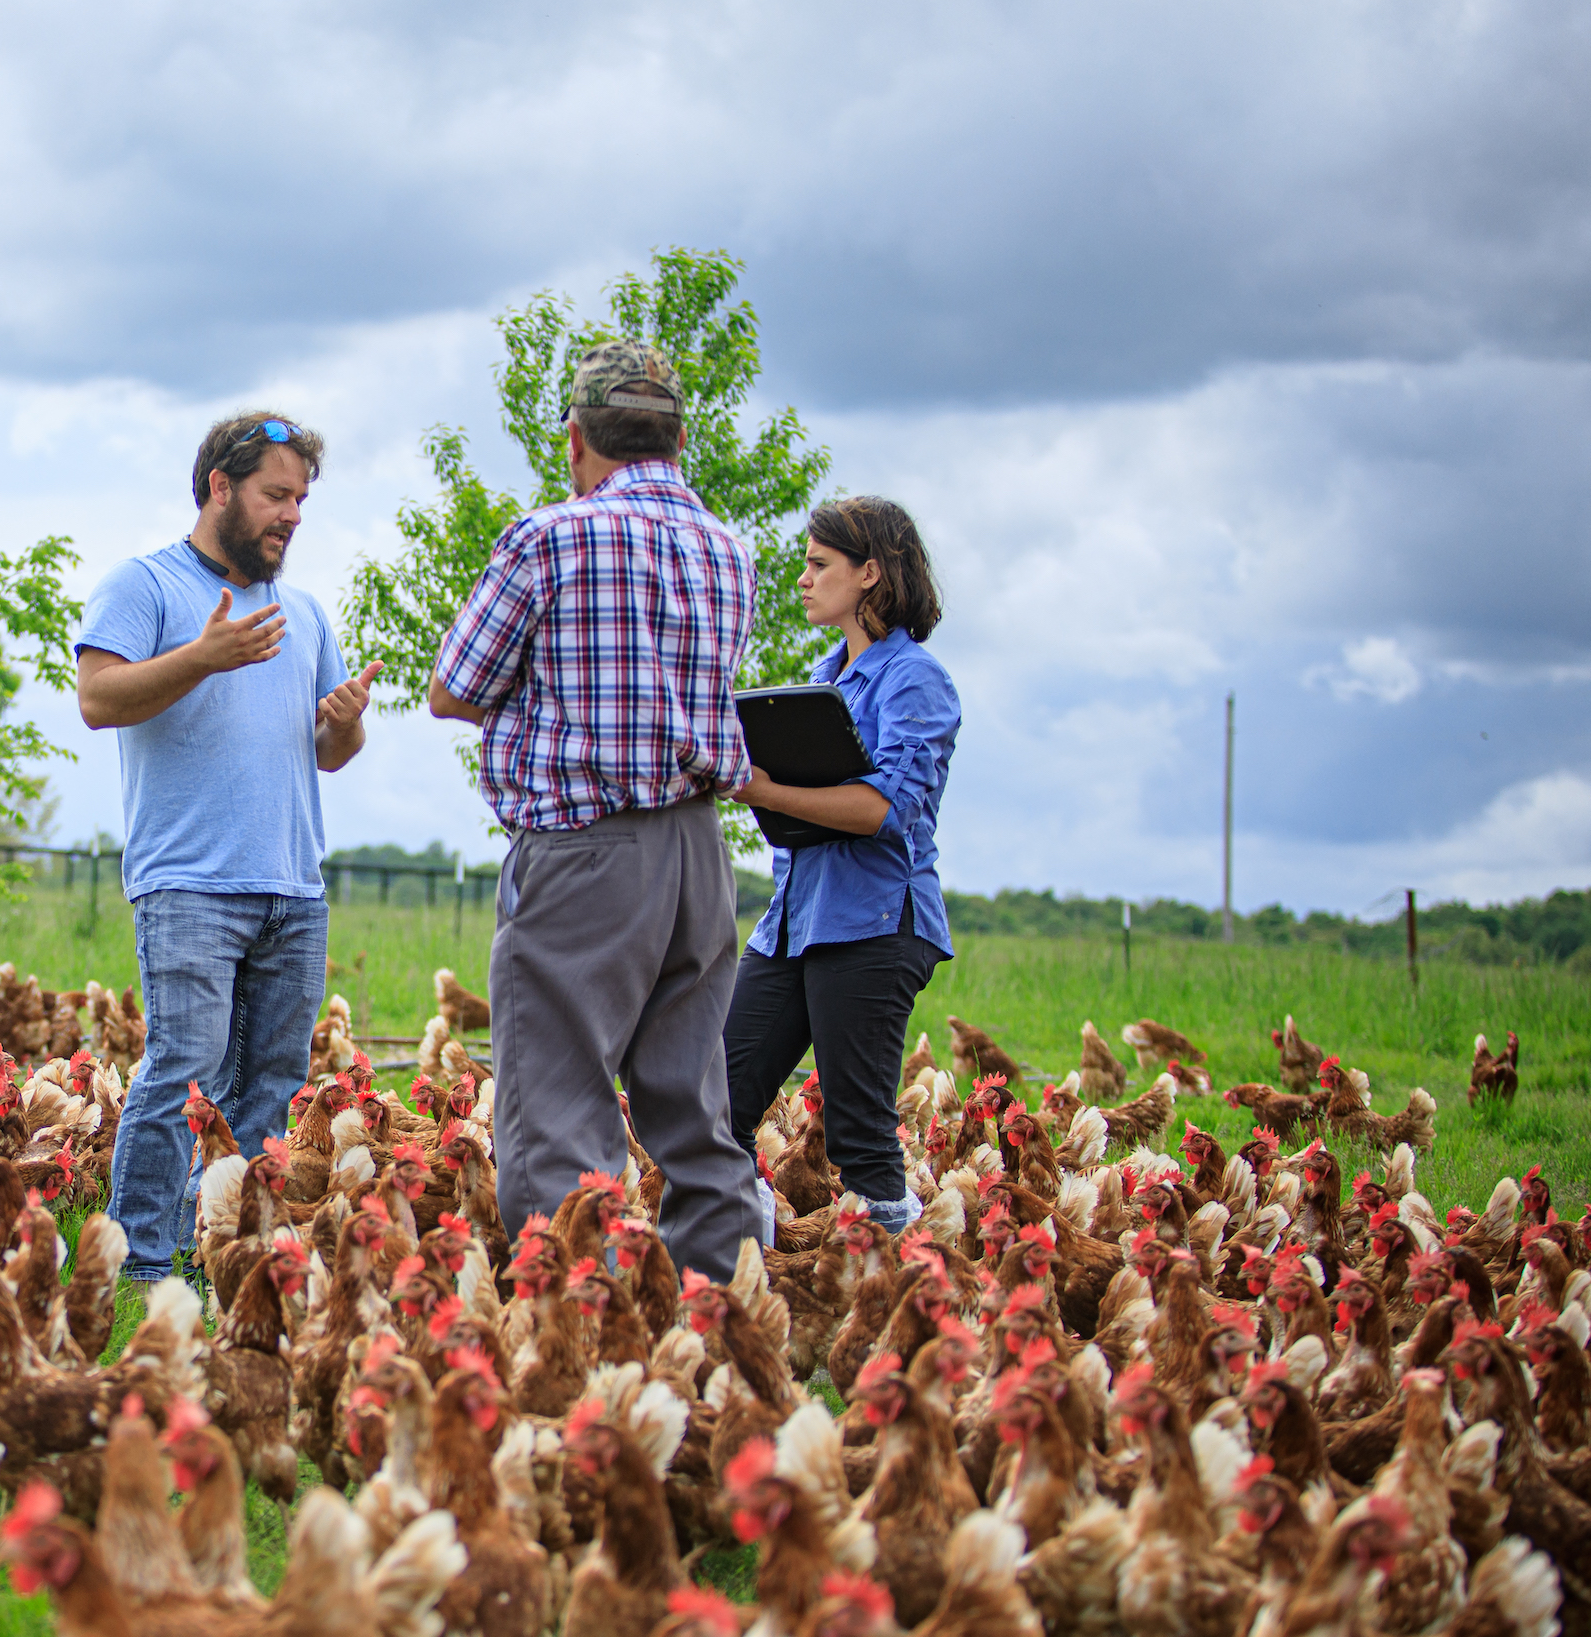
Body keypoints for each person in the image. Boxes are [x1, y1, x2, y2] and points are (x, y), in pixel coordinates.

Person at [426, 340, 761, 1282]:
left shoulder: (551, 538)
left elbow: (455, 686)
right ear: (680, 438)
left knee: (559, 1096)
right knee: (693, 1098)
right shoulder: (729, 550)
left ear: (577, 440)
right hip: (700, 849)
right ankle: (723, 1313)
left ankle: (580, 1325)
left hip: (586, 845)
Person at [75, 412, 382, 1281]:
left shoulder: (305, 612)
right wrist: (203, 657)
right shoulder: (146, 585)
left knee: (276, 1082)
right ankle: (137, 1262)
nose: (292, 515)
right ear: (220, 486)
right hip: (189, 884)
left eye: (301, 500)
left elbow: (327, 754)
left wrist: (345, 724)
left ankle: (230, 1256)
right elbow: (99, 699)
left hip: (294, 885)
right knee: (183, 1070)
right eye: (276, 495)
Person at [722, 497, 959, 1240]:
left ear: (870, 574)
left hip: (876, 922)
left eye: (819, 564)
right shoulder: (824, 675)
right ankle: (753, 1243)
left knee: (857, 1137)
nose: (803, 578)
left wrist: (761, 787)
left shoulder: (914, 679)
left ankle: (915, 1283)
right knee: (717, 1098)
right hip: (796, 920)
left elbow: (883, 809)